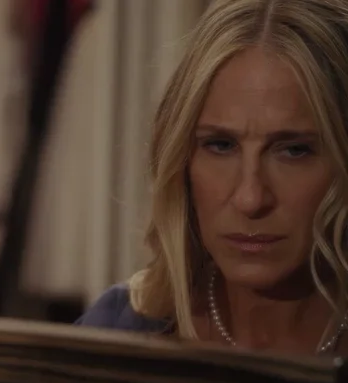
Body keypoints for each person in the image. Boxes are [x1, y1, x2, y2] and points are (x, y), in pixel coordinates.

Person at [76, 0, 348, 356]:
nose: (251, 198)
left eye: (294, 151)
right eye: (221, 145)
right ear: (181, 159)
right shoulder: (119, 327)